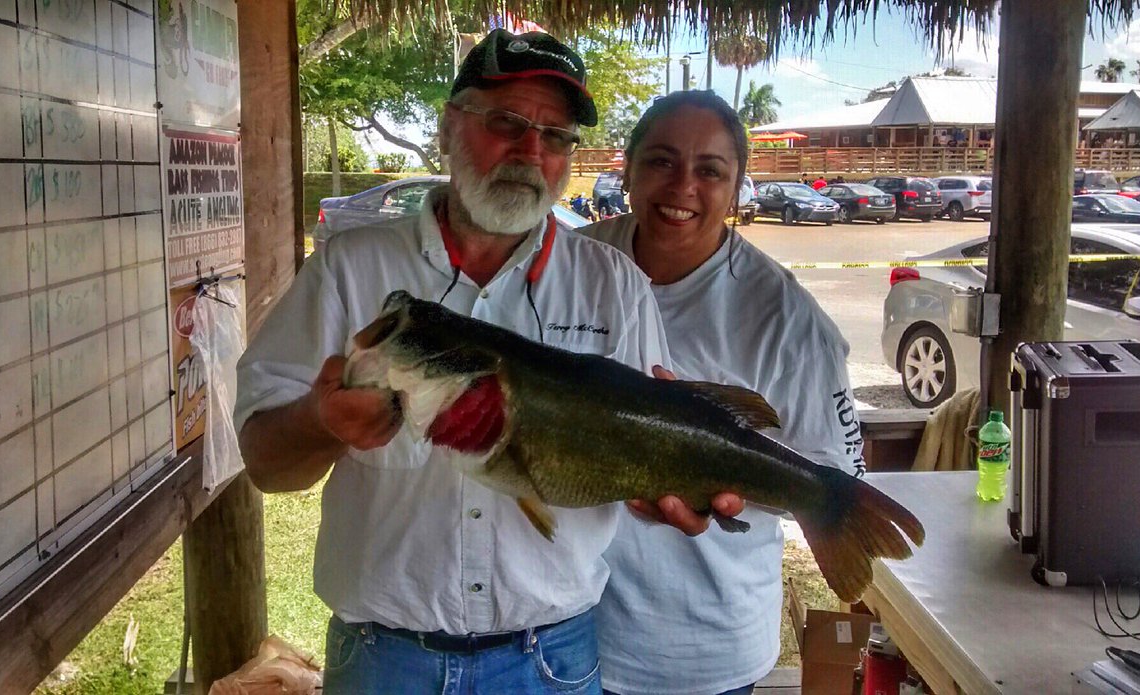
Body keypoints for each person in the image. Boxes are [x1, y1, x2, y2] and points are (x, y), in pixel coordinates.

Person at [234, 30, 739, 694]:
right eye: (507, 122)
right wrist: (319, 420)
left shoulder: (615, 284)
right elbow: (265, 462)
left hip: (550, 661)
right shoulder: (348, 271)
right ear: (449, 127)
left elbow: (642, 468)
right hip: (383, 662)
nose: (532, 151)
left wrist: (670, 484)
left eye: (556, 136)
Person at [584, 90, 865, 695]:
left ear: (736, 187)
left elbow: (838, 473)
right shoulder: (572, 264)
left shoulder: (789, 319)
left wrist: (717, 465)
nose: (683, 185)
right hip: (565, 633)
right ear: (627, 169)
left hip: (703, 649)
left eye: (710, 170)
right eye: (660, 160)